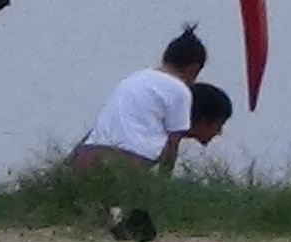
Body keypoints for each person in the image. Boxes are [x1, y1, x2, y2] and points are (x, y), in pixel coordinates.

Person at [71, 27, 233, 171]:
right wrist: (162, 187)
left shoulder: (135, 78)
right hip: (125, 160)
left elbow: (100, 126)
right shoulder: (180, 90)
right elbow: (172, 145)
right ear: (194, 69)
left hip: (86, 155)